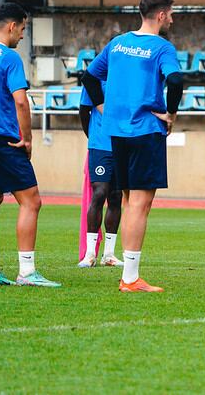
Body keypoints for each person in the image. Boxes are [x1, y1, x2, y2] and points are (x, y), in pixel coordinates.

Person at [82, 0, 183, 292]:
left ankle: (128, 273)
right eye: (172, 13)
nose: (173, 19)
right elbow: (176, 80)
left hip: (116, 133)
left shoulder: (117, 43)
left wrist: (102, 107)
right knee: (140, 203)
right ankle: (130, 278)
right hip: (144, 130)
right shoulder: (162, 48)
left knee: (128, 201)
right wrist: (171, 113)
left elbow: (88, 76)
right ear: (162, 15)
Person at [0, 3, 61, 287]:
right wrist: (28, 138)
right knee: (31, 200)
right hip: (5, 138)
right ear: (12, 26)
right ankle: (26, 272)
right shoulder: (9, 58)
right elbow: (21, 101)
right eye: (23, 28)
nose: (23, 35)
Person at [77, 79, 124, 268]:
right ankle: (89, 254)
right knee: (99, 193)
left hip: (121, 144)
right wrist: (93, 137)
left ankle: (109, 254)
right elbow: (83, 111)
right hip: (100, 145)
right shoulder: (95, 80)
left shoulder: (126, 77)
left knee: (116, 196)